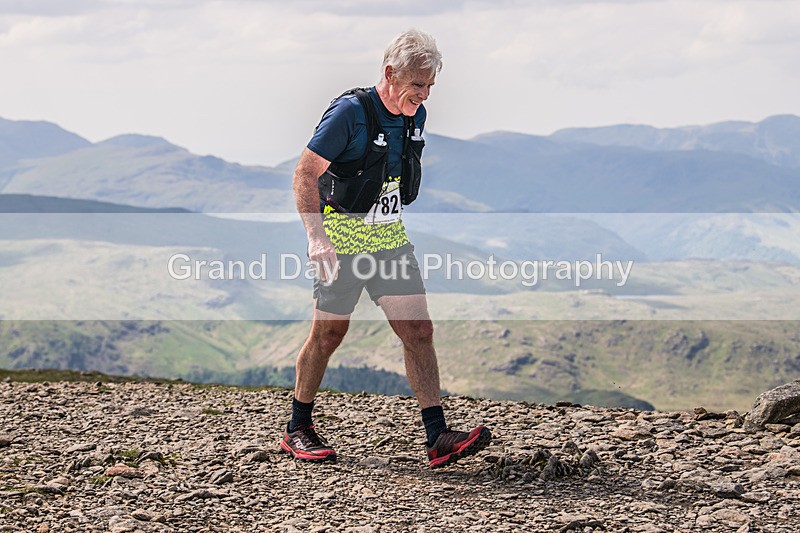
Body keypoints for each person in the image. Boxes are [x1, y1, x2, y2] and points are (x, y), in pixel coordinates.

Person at [280, 29, 491, 468]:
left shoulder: (416, 116)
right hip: (342, 244)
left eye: (430, 86)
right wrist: (316, 237)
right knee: (328, 335)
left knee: (418, 331)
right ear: (391, 73)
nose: (424, 94)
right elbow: (305, 174)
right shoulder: (350, 113)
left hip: (390, 243)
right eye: (417, 84)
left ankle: (437, 435)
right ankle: (298, 427)